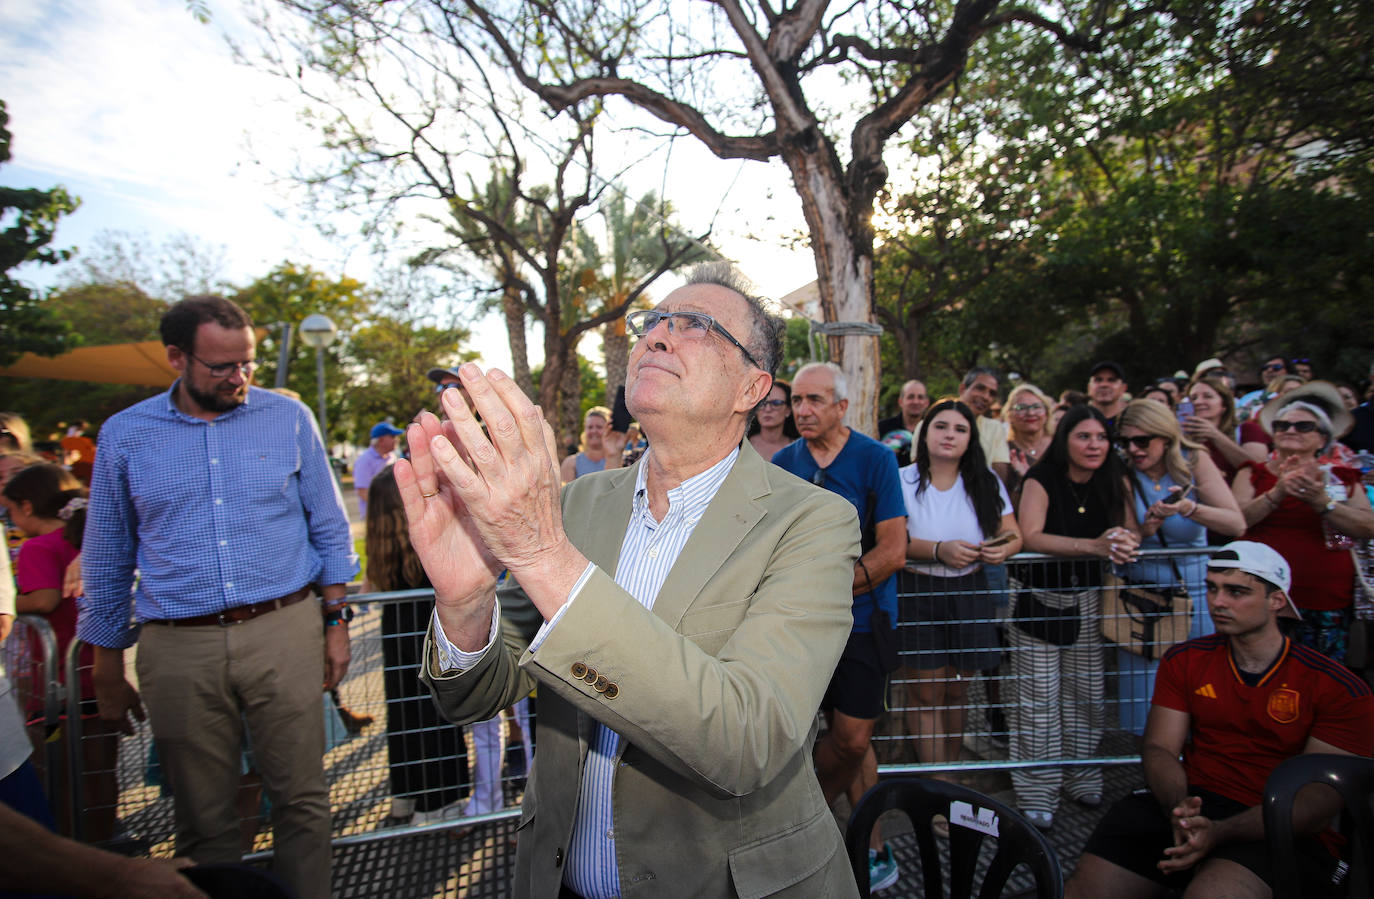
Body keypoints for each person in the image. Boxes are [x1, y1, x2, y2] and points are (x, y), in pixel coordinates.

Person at [404, 262, 863, 897]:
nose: (656, 336)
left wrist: (542, 556)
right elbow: (475, 696)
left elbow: (748, 742)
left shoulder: (813, 521)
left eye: (696, 325)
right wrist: (464, 605)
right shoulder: (577, 503)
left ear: (752, 388)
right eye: (651, 323)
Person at [78, 296, 358, 899]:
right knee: (204, 820)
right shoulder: (126, 435)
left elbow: (330, 527)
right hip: (177, 646)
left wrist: (337, 621)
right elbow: (106, 557)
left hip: (283, 629)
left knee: (303, 800)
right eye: (221, 367)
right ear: (176, 357)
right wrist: (104, 663)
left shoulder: (288, 419)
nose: (240, 379)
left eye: (248, 364)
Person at [1066, 542, 1374, 899]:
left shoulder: (1338, 687)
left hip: (1276, 820)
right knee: (1083, 890)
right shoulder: (1185, 660)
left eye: (1236, 591)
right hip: (1192, 803)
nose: (1218, 601)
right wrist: (1179, 809)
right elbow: (1159, 747)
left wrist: (1219, 831)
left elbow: (1314, 804)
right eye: (1212, 588)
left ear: (1277, 601)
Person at [773, 360, 907, 890]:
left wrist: (825, 588)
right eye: (796, 401)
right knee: (802, 738)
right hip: (799, 628)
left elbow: (893, 551)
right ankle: (872, 844)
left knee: (852, 739)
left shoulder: (876, 459)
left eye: (813, 401)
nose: (801, 410)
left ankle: (805, 822)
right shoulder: (783, 462)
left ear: (842, 407)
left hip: (863, 624)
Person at [1009, 404, 1140, 830]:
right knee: (1038, 698)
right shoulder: (1041, 478)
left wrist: (1125, 538)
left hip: (1089, 597)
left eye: (1101, 437)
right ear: (1065, 439)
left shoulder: (1114, 478)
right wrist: (1095, 547)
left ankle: (1083, 773)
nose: (1095, 445)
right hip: (1038, 597)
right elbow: (1031, 535)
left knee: (1086, 693)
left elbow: (1129, 529)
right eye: (1084, 436)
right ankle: (1037, 789)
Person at [898, 399, 1020, 773]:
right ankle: (937, 781)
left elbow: (1014, 534)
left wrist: (1001, 550)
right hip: (917, 593)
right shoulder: (901, 478)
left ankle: (949, 779)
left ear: (971, 439)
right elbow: (888, 540)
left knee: (956, 691)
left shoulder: (986, 481)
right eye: (941, 426)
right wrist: (938, 551)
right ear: (925, 433)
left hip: (971, 591)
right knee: (925, 693)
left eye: (960, 429)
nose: (950, 434)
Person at [1114, 400, 1245, 734]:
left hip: (1197, 595)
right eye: (1126, 441)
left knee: (1203, 693)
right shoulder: (1121, 470)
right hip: (1144, 600)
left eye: (1142, 441)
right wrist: (1148, 527)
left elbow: (1236, 523)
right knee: (1146, 702)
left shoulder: (1194, 460)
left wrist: (1190, 509)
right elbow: (1131, 533)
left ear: (1166, 437)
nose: (1133, 449)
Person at [363, 464, 470, 825]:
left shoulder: (380, 546)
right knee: (437, 708)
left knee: (403, 710)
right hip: (428, 620)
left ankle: (404, 797)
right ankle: (441, 802)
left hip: (394, 623)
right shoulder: (422, 542)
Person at [1232, 397, 1374, 662]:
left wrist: (1323, 503)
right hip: (1261, 593)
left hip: (1324, 597)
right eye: (1282, 425)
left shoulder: (1341, 478)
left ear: (1322, 439)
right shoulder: (1252, 473)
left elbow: (1367, 526)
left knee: (1322, 679)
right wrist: (1277, 492)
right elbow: (1237, 521)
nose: (1290, 430)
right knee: (1261, 670)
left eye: (1303, 426)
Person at [1182, 375, 1268, 486]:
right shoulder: (1181, 436)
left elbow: (1259, 469)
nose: (1198, 402)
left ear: (1224, 405)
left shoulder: (1247, 430)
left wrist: (1216, 436)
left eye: (1207, 396)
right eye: (1193, 398)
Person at [1003, 383, 1055, 508]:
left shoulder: (1060, 445)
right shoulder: (1003, 452)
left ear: (1047, 413)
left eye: (1037, 407)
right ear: (1009, 415)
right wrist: (1023, 482)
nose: (1030, 413)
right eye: (1021, 408)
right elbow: (1005, 506)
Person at [959, 367, 1011, 482]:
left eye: (992, 394)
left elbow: (999, 475)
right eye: (980, 388)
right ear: (962, 389)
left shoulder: (995, 428)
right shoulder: (931, 425)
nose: (986, 397)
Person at [559, 406, 624, 483]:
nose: (594, 431)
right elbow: (567, 493)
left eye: (599, 427)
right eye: (590, 427)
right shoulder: (571, 463)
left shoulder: (622, 460)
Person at [354, 421, 403, 517]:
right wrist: (386, 506)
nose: (397, 440)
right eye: (393, 437)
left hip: (392, 514)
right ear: (381, 440)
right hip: (375, 517)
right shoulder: (364, 460)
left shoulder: (392, 457)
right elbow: (362, 492)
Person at [877, 379, 930, 465]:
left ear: (926, 402)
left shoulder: (931, 430)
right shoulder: (882, 427)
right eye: (910, 397)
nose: (916, 401)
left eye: (920, 397)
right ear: (900, 401)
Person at [746, 377, 799, 461]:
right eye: (762, 403)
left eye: (776, 403)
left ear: (788, 410)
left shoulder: (799, 449)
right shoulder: (742, 444)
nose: (768, 409)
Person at [1234, 355, 1289, 422]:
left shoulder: (1297, 392)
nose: (1269, 370)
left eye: (1276, 367)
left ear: (1288, 372)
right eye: (1265, 368)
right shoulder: (1250, 397)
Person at [1087, 361, 1130, 429]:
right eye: (1098, 380)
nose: (1104, 385)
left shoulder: (1132, 422)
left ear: (1123, 388)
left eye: (1111, 380)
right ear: (1089, 387)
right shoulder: (1077, 420)